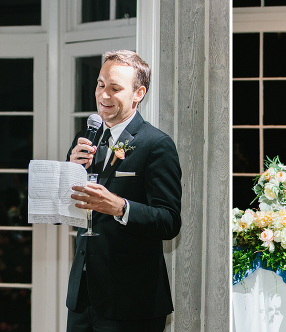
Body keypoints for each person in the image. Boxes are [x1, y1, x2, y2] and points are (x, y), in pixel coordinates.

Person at [65, 50, 182, 332]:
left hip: (131, 301)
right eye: (100, 84)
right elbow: (66, 210)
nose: (103, 95)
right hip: (83, 297)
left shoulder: (157, 145)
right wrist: (68, 171)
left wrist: (120, 207)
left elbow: (168, 221)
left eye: (115, 88)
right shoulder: (85, 141)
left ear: (138, 93)